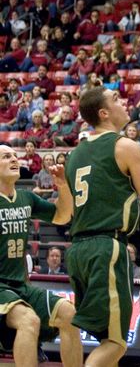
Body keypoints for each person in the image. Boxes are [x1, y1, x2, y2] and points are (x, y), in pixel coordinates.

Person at [65, 87, 140, 366]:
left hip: (77, 250)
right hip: (106, 248)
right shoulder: (125, 146)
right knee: (115, 344)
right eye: (116, 99)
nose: (123, 103)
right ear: (104, 113)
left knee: (105, 340)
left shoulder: (75, 154)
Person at [0, 145, 82, 366]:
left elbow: (62, 216)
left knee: (69, 314)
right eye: (6, 157)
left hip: (19, 285)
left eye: (15, 156)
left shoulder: (26, 198)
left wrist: (63, 185)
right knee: (29, 320)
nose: (14, 160)